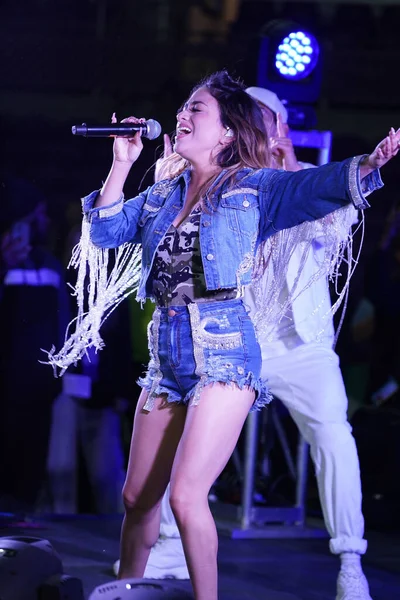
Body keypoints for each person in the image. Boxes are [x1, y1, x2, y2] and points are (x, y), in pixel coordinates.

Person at [49, 71, 398, 600]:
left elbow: (311, 187)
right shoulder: (165, 193)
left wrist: (368, 165)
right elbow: (104, 231)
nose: (182, 117)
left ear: (227, 133)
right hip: (168, 355)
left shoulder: (252, 188)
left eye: (197, 110)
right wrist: (121, 165)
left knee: (188, 497)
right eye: (183, 107)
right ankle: (125, 591)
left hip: (226, 353)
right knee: (137, 498)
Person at [0, 174, 69, 515]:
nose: (44, 221)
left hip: (40, 386)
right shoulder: (4, 260)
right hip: (6, 385)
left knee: (32, 456)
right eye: (36, 214)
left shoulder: (50, 264)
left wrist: (61, 372)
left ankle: (22, 516)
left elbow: (62, 322)